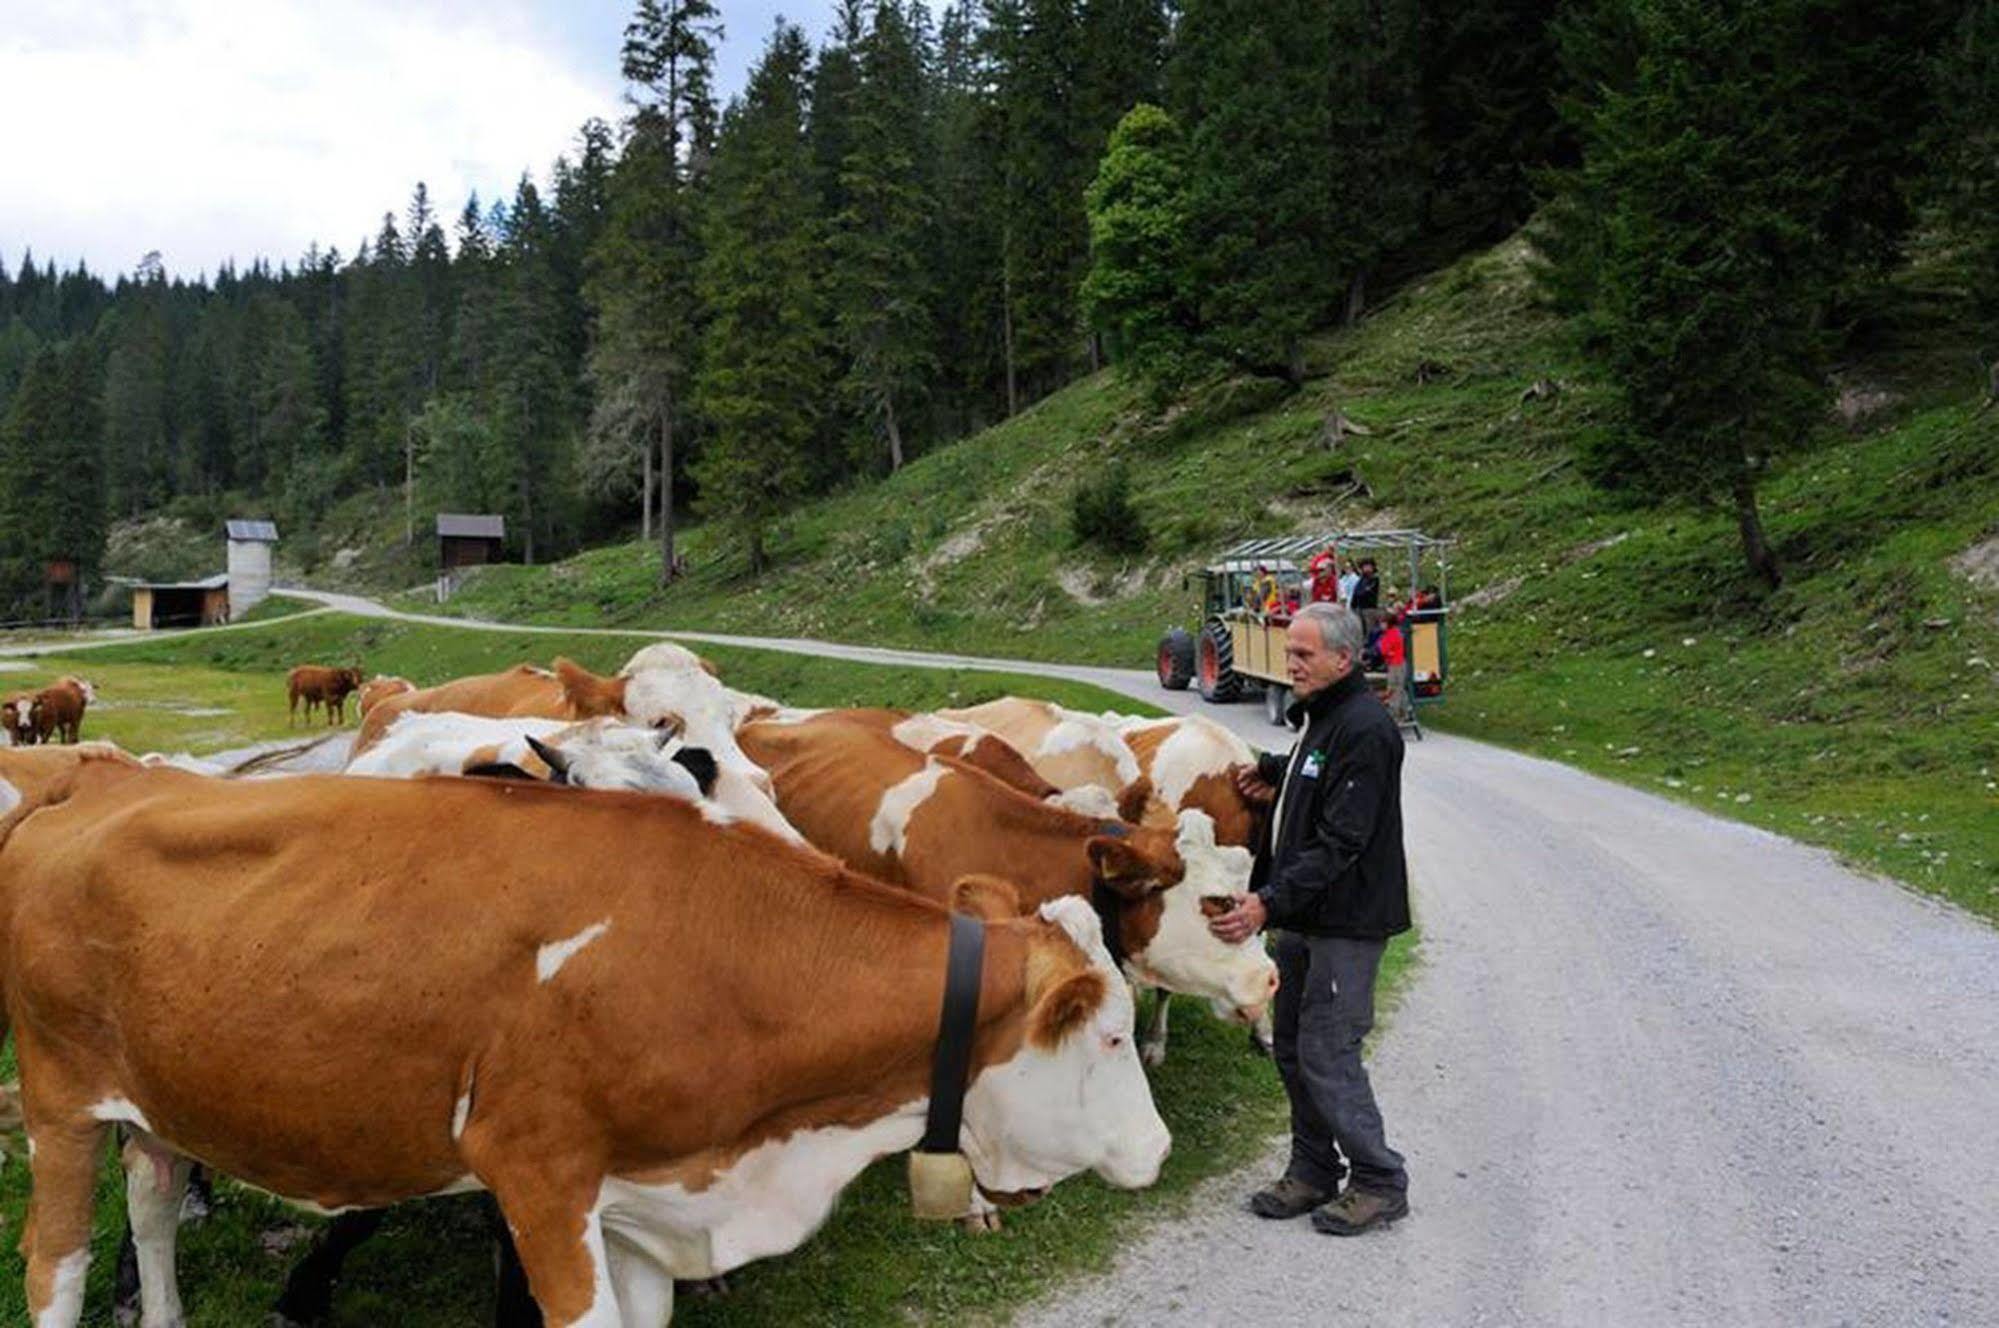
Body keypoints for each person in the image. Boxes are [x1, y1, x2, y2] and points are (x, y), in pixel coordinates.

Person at [1210, 601, 1411, 1236]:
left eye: (1303, 653)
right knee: (1294, 1047)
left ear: (1343, 659)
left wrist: (1267, 900)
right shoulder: (1324, 721)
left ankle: (1379, 1180)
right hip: (1305, 916)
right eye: (1289, 650)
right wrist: (1274, 770)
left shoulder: (1366, 730)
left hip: (1345, 922)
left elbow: (1342, 839)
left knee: (1328, 1048)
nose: (1290, 662)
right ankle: (1313, 1170)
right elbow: (1311, 771)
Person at [1378, 611, 1410, 723]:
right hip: (1399, 663)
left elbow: (1383, 650)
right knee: (1400, 689)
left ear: (1388, 623)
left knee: (1393, 689)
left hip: (1395, 665)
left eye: (1382, 623)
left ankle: (1395, 715)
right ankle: (1404, 713)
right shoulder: (1395, 632)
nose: (1381, 625)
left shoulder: (1390, 635)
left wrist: (1384, 649)